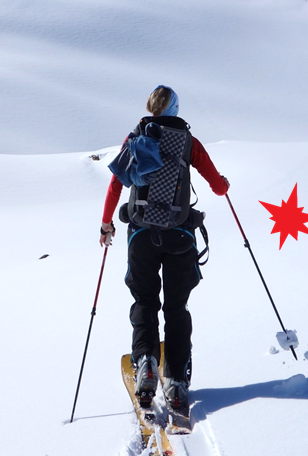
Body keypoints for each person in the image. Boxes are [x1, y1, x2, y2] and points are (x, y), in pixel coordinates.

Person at [100, 85, 229, 421]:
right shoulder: (188, 142)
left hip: (141, 234)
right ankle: (175, 382)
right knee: (176, 307)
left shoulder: (136, 139)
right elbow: (217, 186)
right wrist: (224, 184)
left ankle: (145, 365)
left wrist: (106, 225)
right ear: (175, 108)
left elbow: (116, 183)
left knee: (144, 301)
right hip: (179, 235)